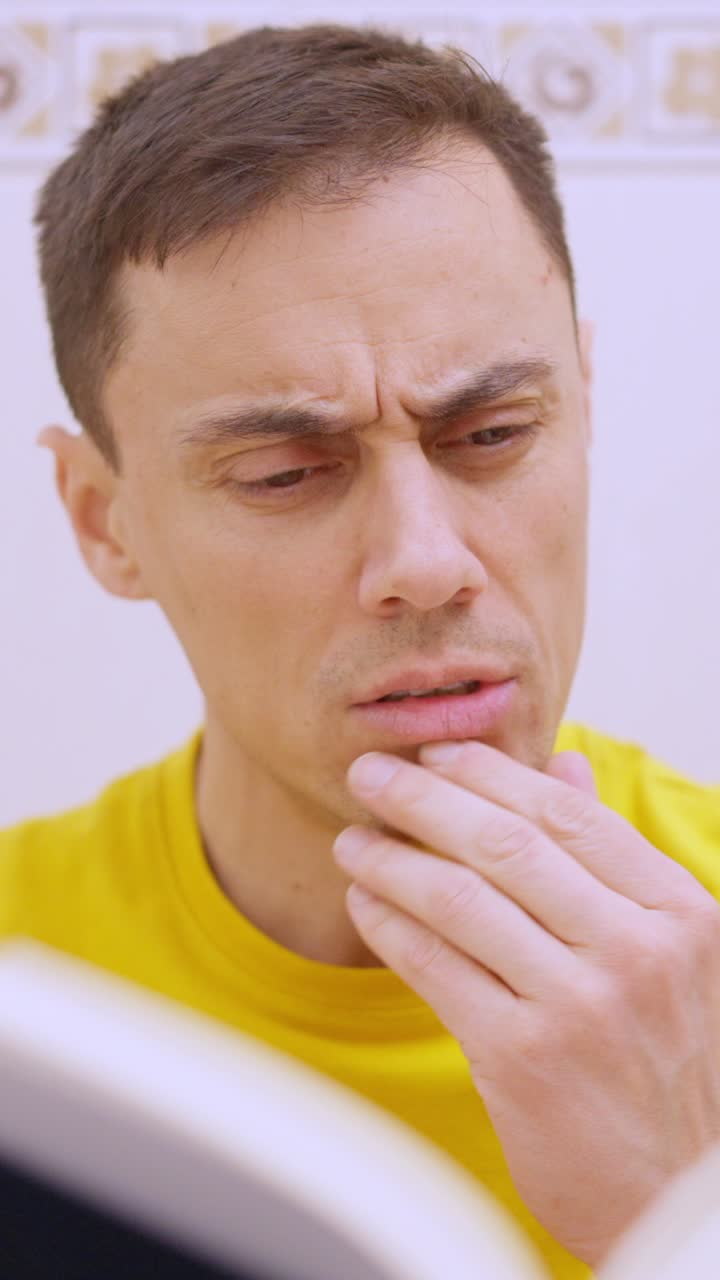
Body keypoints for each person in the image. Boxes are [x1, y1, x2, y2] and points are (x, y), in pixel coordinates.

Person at [2, 22, 719, 1280]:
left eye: (493, 433)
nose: (426, 560)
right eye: (285, 472)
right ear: (102, 519)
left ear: (584, 407)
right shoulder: (27, 990)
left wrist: (682, 1217)